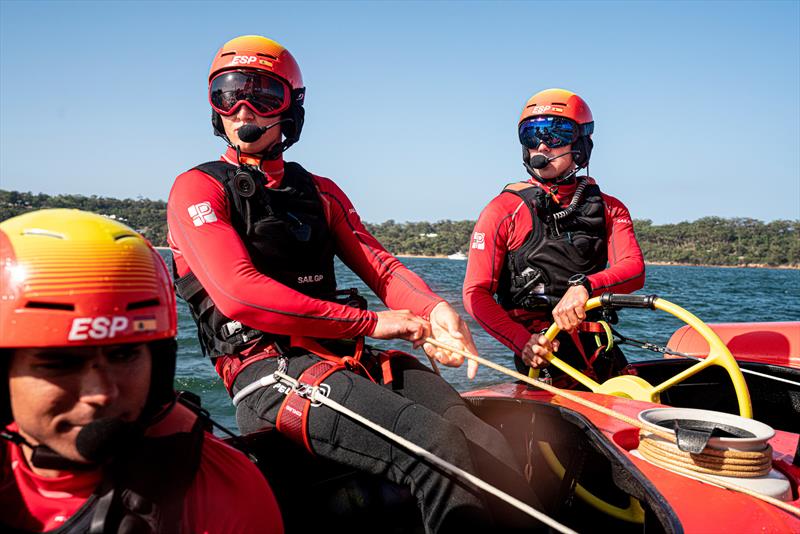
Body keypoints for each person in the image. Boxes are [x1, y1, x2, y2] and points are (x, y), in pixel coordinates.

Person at [167, 35, 540, 532]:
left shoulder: (319, 191)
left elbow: (382, 268)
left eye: (262, 95)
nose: (242, 109)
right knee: (435, 446)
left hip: (343, 358)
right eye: (227, 93)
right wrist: (372, 322)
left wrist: (433, 312)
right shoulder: (198, 188)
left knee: (486, 440)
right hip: (267, 371)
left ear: (290, 108)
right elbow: (240, 295)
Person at [0, 209, 282, 533]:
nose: (102, 393)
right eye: (60, 363)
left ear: (159, 364)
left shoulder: (218, 489)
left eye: (123, 355)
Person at [463, 88, 645, 383]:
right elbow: (475, 293)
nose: (542, 145)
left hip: (600, 349)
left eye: (556, 133)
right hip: (542, 354)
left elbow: (634, 270)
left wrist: (585, 287)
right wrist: (522, 342)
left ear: (581, 145)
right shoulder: (502, 211)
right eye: (531, 135)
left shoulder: (611, 208)